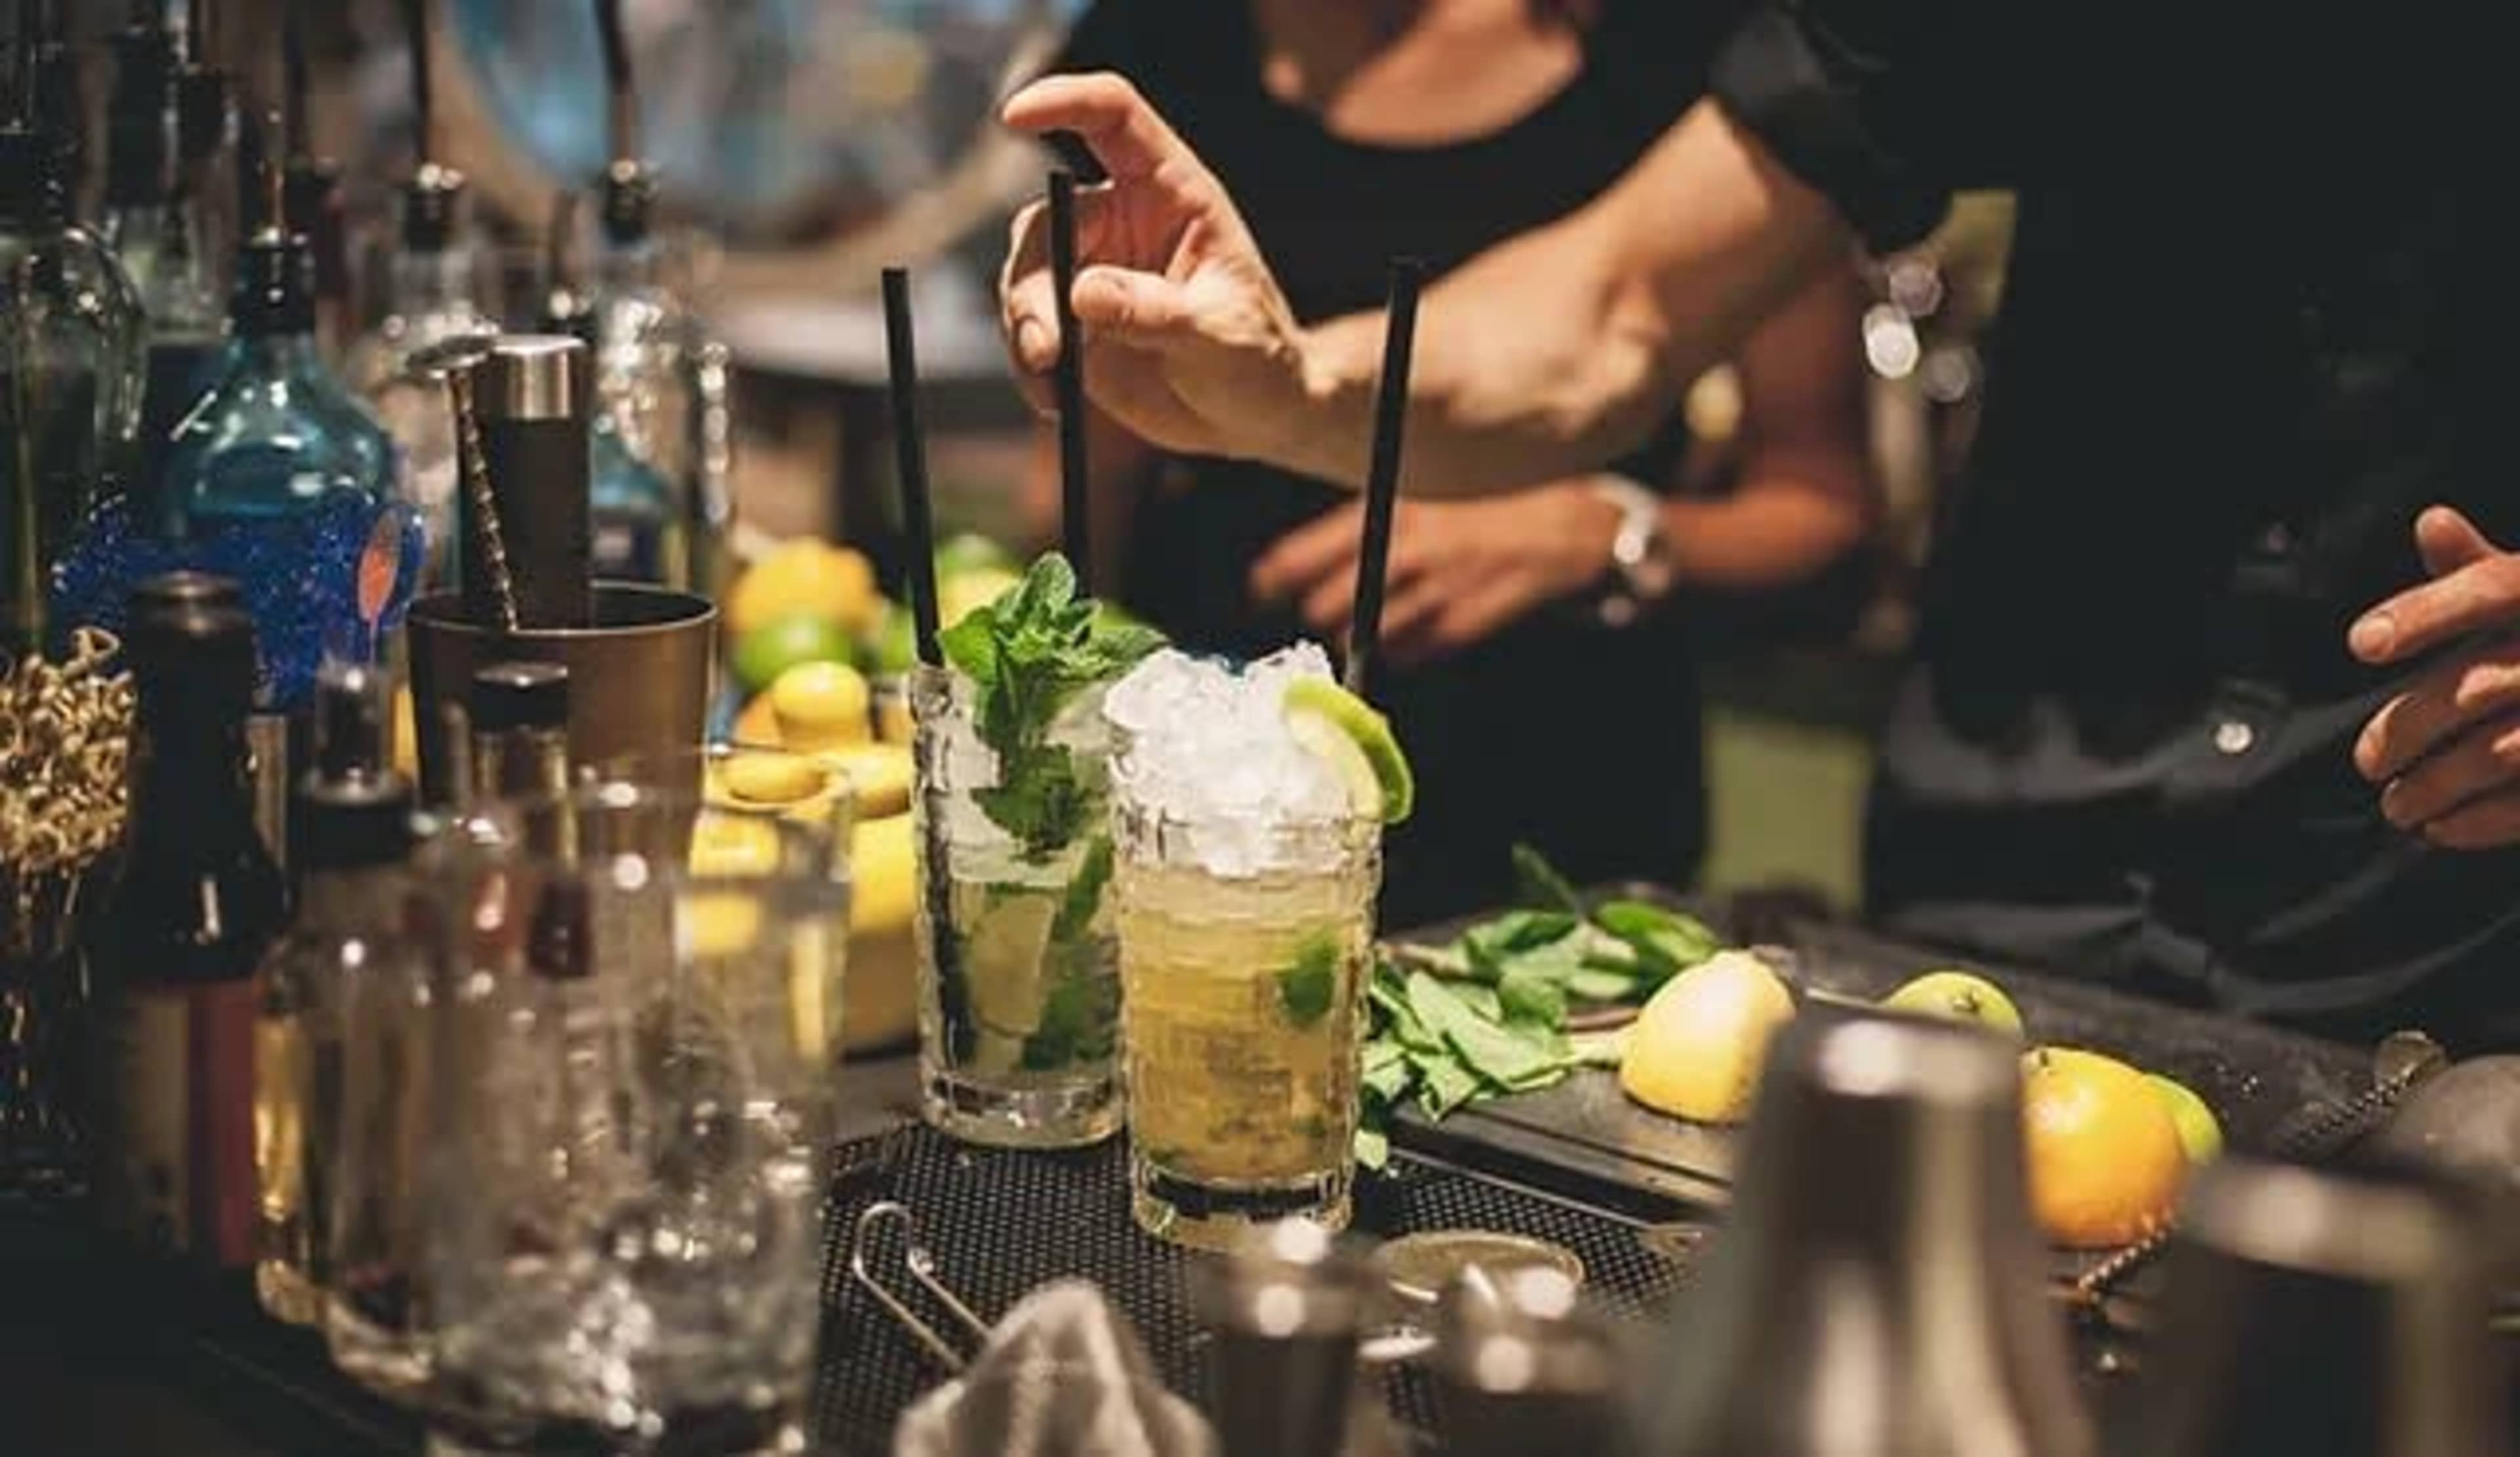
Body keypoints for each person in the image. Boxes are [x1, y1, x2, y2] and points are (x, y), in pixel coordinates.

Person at [993, 5, 2515, 1047]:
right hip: (1999, 897)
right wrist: (1288, 383)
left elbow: (1816, 504)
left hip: (2432, 931)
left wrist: (1612, 536)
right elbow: (1616, 303)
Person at [1012, 0, 1873, 927]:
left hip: (1565, 834)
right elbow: (1085, 499)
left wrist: (1592, 533)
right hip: (1220, 824)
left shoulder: (1702, 54)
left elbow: (1819, 509)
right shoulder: (1161, 43)